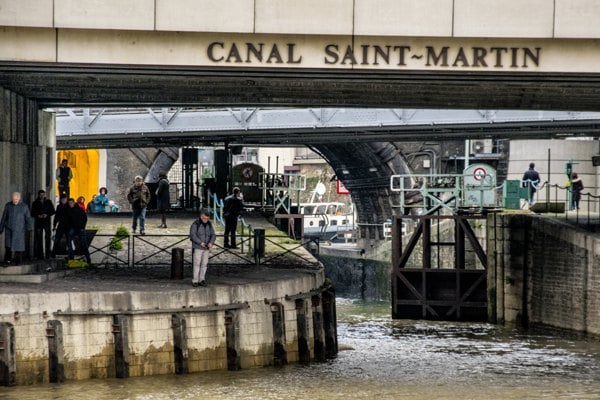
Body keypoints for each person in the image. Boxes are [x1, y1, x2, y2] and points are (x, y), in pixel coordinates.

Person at [0, 192, 32, 265]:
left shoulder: (24, 207)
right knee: (8, 245)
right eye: (14, 199)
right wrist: (1, 228)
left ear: (19, 198)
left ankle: (18, 261)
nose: (15, 201)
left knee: (19, 246)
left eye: (16, 199)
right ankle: (7, 260)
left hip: (19, 230)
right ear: (12, 198)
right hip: (9, 229)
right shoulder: (8, 205)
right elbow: (4, 217)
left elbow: (28, 218)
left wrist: (29, 227)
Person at [189, 210, 216, 287]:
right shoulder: (195, 224)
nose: (206, 220)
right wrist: (200, 243)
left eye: (207, 218)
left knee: (204, 264)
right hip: (198, 247)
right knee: (197, 264)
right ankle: (195, 280)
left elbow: (213, 234)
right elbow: (192, 235)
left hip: (206, 248)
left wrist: (211, 242)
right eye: (204, 218)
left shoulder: (209, 224)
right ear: (201, 217)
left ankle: (202, 279)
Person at [66, 197, 91, 265]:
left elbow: (85, 218)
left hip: (79, 228)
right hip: (74, 228)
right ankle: (71, 257)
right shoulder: (69, 211)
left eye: (71, 203)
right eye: (69, 204)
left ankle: (87, 257)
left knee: (84, 243)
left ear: (74, 203)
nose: (70, 205)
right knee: (69, 241)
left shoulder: (79, 210)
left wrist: (82, 226)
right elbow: (68, 221)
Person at [31, 189, 55, 259]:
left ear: (45, 195)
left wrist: (47, 214)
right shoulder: (35, 203)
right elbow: (32, 213)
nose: (42, 196)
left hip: (46, 221)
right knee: (39, 238)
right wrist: (38, 215)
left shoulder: (48, 202)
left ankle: (47, 254)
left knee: (47, 237)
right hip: (39, 222)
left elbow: (53, 211)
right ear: (38, 195)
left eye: (43, 195)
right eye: (40, 195)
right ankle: (40, 255)